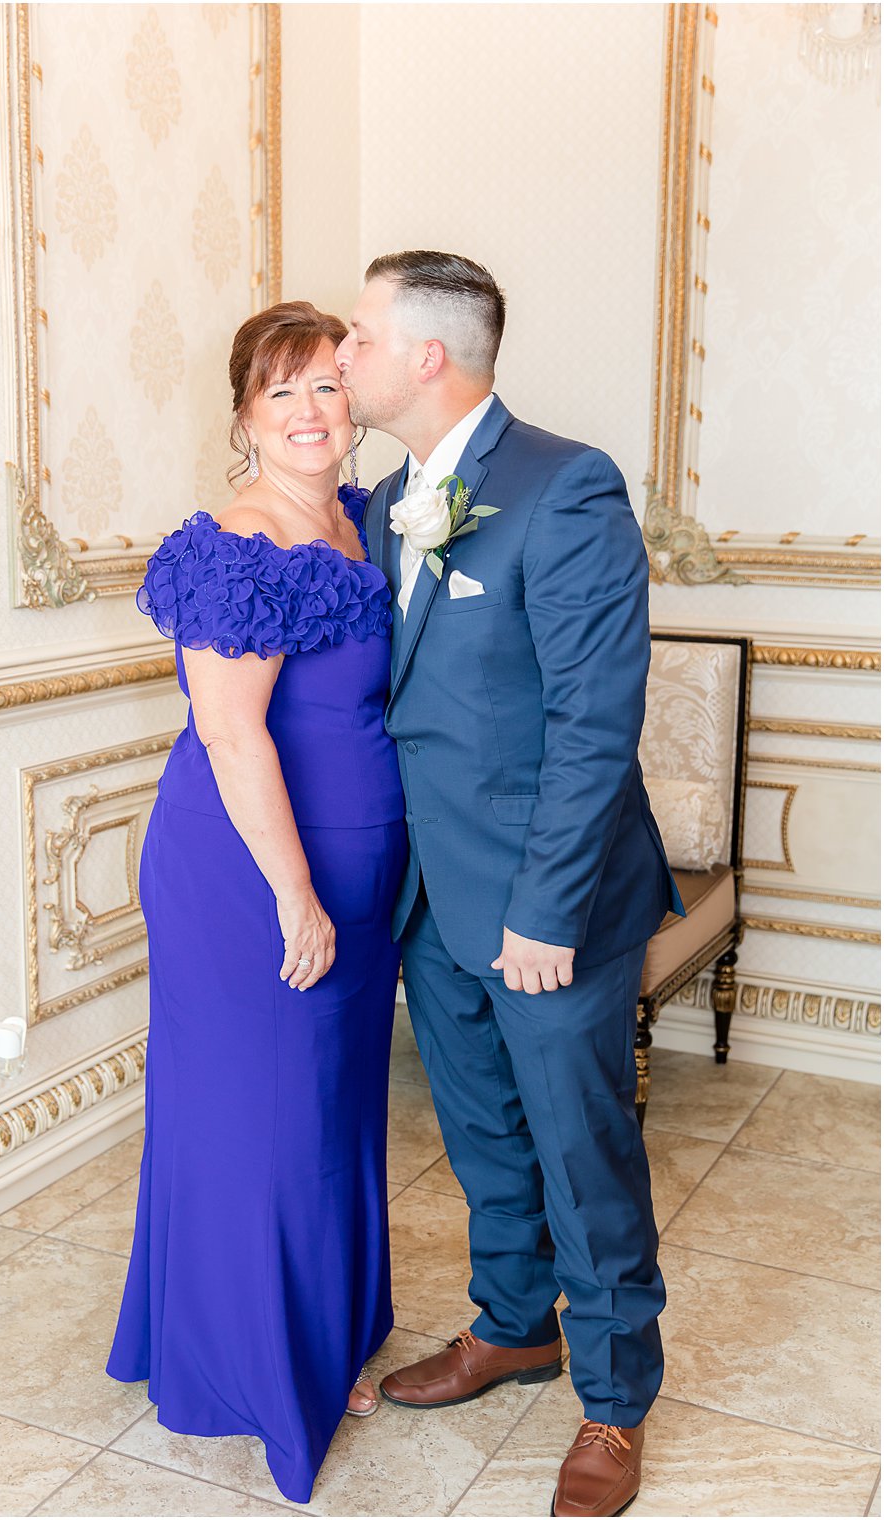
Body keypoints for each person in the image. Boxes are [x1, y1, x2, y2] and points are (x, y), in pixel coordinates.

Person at [334, 251, 685, 1520]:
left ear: (429, 354)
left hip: (552, 906)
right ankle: (509, 1324)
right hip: (430, 895)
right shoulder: (380, 503)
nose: (344, 354)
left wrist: (543, 906)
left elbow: (596, 719)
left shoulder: (565, 485)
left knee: (581, 1147)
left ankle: (614, 1397)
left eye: (361, 333)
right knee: (481, 1134)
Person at [106, 301, 407, 1505]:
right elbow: (232, 733)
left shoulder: (350, 521)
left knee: (327, 1114)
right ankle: (254, 1366)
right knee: (266, 1120)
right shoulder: (243, 540)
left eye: (329, 385)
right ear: (242, 414)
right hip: (252, 872)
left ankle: (323, 1328)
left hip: (353, 866)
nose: (307, 412)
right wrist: (297, 893)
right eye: (280, 391)